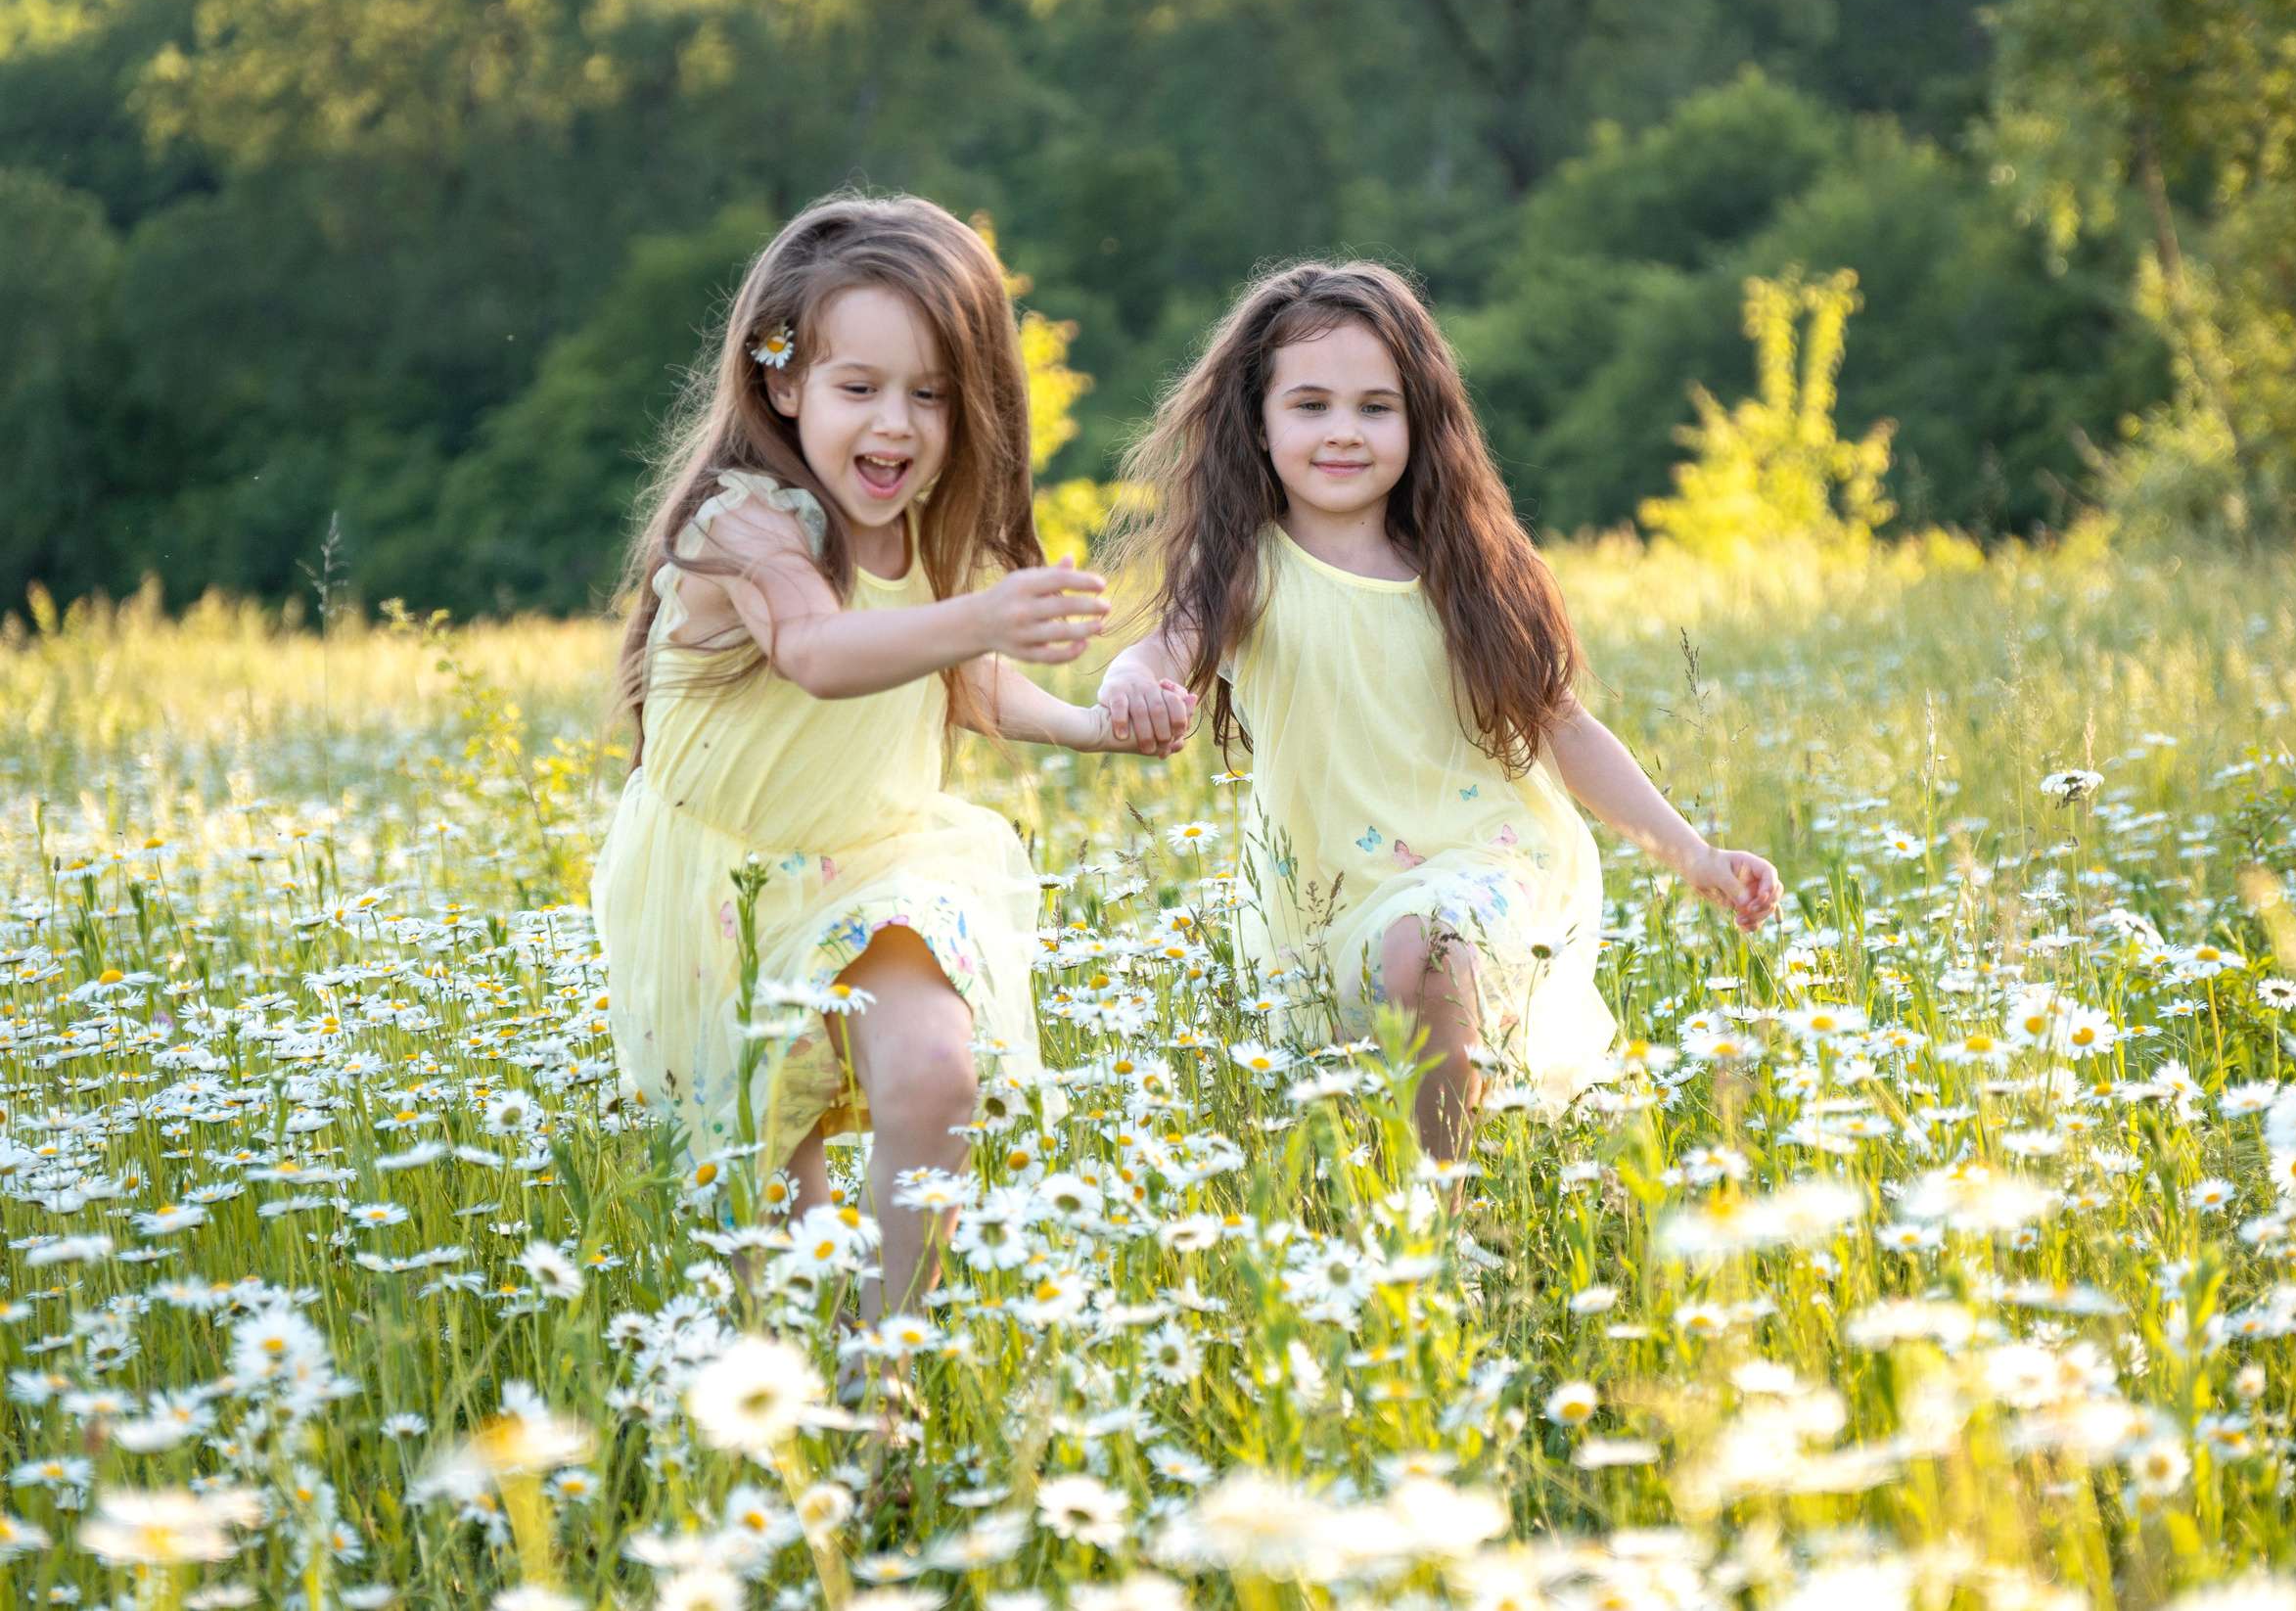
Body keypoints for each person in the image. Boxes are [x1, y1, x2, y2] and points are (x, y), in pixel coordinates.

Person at [592, 195, 1190, 1335]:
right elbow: (819, 653)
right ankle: (816, 1401)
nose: (897, 425)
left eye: (931, 394)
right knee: (784, 1259)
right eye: (858, 388)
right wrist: (980, 619)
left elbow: (948, 673)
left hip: (879, 866)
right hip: (724, 889)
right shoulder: (745, 524)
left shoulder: (931, 527)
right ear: (782, 385)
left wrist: (1085, 724)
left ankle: (890, 1379)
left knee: (933, 1072)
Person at [1096, 262, 1780, 1166]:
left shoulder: (1466, 571)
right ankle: (1415, 1192)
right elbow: (1162, 648)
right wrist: (1128, 684)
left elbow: (1563, 727)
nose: (1344, 431)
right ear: (1256, 425)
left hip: (1485, 860)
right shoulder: (1245, 570)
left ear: (1421, 423)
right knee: (1369, 1083)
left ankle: (1439, 1216)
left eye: (1376, 407)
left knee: (1429, 940)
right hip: (1323, 897)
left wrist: (1692, 852)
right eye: (1310, 406)